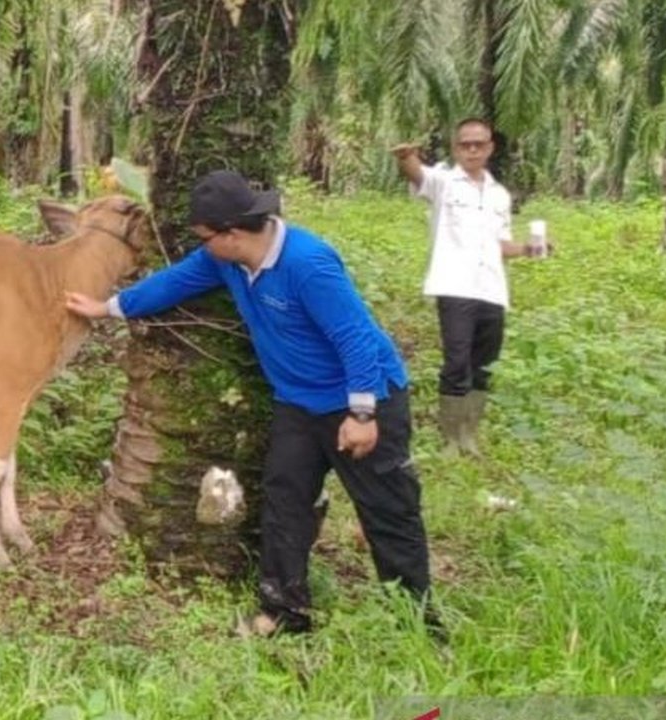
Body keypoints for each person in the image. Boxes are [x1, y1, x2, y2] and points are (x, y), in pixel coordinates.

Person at [65, 170, 434, 637]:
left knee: (387, 509)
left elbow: (355, 336)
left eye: (204, 237)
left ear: (233, 234)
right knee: (285, 502)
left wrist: (361, 413)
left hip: (362, 399)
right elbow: (174, 282)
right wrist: (110, 307)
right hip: (297, 404)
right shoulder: (226, 261)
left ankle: (418, 624)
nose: (201, 246)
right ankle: (284, 613)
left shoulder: (308, 263)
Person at [392, 118, 547, 457]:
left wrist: (528, 249)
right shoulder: (444, 182)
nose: (473, 150)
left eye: (479, 144)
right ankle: (450, 438)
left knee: (484, 363)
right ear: (456, 148)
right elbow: (417, 173)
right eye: (466, 144)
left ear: (490, 147)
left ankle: (469, 436)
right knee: (456, 361)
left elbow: (501, 244)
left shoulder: (499, 195)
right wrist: (406, 157)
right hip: (455, 285)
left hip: (491, 288)